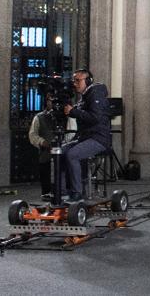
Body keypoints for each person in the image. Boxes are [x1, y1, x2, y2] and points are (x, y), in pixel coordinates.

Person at [60, 69, 111, 202]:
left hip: (98, 138)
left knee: (73, 154)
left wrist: (74, 112)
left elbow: (95, 118)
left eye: (78, 80)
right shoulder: (85, 97)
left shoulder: (96, 93)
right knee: (59, 152)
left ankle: (77, 194)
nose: (75, 83)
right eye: (74, 80)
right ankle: (63, 192)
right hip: (85, 137)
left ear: (88, 81)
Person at [29, 94, 65, 199]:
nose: (53, 103)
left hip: (63, 151)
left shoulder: (66, 115)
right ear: (46, 101)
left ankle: (63, 192)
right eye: (50, 100)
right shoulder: (39, 117)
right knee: (45, 169)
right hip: (46, 153)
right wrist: (42, 142)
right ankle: (46, 192)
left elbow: (72, 132)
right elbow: (32, 135)